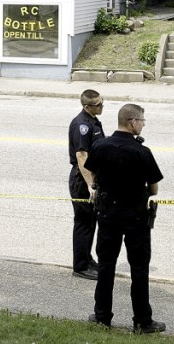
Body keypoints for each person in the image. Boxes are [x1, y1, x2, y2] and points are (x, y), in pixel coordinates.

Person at [86, 103, 165, 334]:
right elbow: (154, 189)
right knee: (139, 269)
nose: (142, 125)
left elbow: (92, 172)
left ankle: (102, 316)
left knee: (106, 267)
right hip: (135, 218)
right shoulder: (142, 152)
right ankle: (142, 321)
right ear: (132, 122)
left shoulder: (100, 146)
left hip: (108, 215)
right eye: (142, 121)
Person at [68, 89, 106, 280]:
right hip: (83, 180)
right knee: (84, 222)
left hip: (93, 178)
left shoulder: (93, 120)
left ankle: (86, 257)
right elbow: (82, 156)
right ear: (87, 106)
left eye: (102, 102)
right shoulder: (82, 125)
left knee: (91, 222)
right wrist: (91, 185)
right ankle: (80, 266)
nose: (102, 106)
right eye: (98, 104)